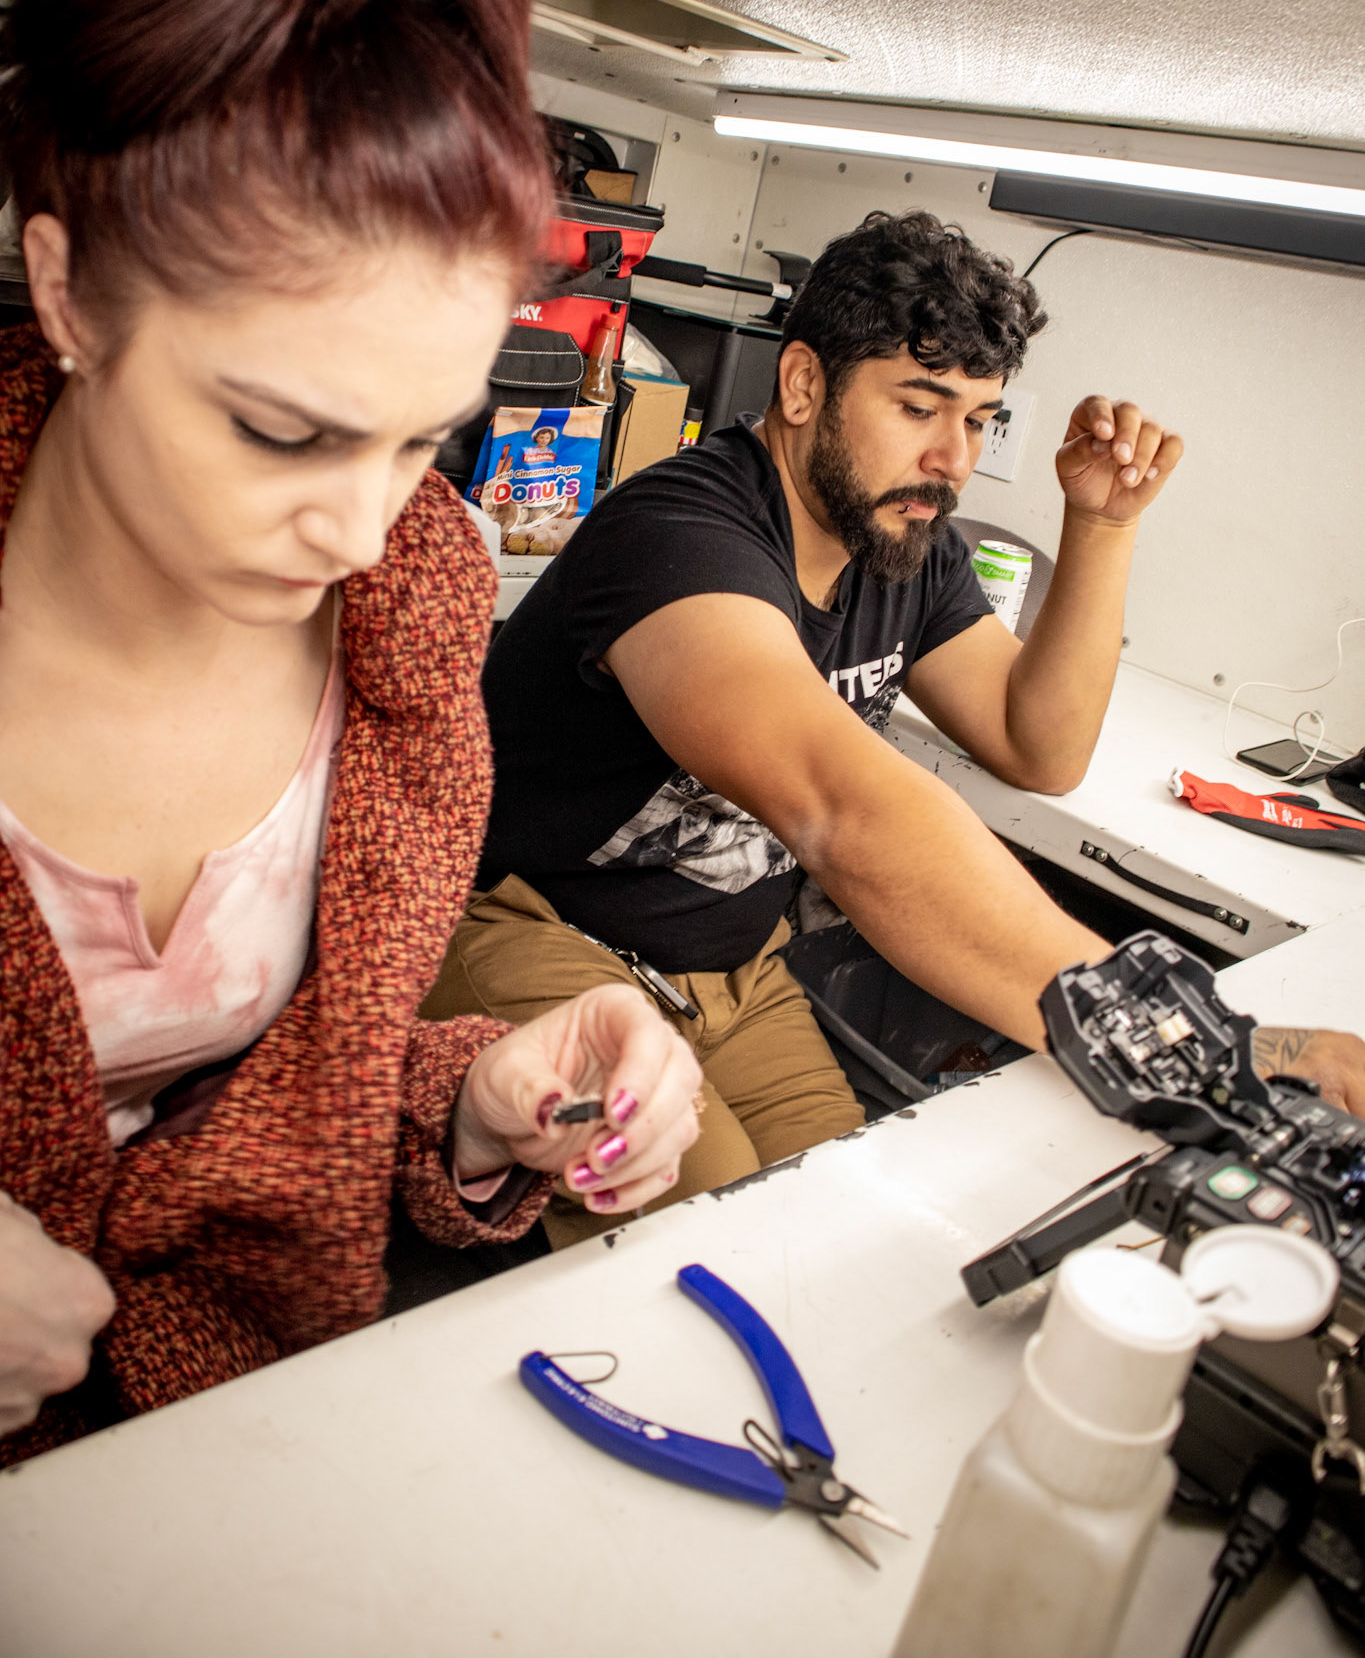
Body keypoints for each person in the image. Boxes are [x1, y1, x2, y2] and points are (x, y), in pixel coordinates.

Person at [0, 0, 701, 1461]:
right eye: (278, 430)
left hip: (218, 1460)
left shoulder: (418, 603)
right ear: (68, 287)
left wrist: (474, 1096)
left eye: (421, 439)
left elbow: (276, 1103)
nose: (366, 532)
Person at [426, 208, 1365, 1241]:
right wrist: (1196, 1041)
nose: (952, 457)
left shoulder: (902, 544)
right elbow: (841, 807)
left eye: (980, 419)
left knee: (841, 1221)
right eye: (920, 406)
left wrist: (1101, 525)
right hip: (531, 930)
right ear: (801, 386)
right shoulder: (680, 534)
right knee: (703, 1237)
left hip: (732, 973)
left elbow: (1038, 746)